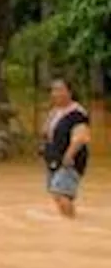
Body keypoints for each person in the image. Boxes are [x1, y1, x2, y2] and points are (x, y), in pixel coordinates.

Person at [42, 77, 92, 218]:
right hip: (55, 158)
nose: (55, 93)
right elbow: (47, 132)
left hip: (69, 160)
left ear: (69, 92)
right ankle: (69, 224)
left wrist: (68, 156)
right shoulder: (55, 111)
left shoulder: (77, 114)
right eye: (53, 90)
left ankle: (73, 224)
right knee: (57, 193)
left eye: (59, 90)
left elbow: (81, 137)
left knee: (61, 193)